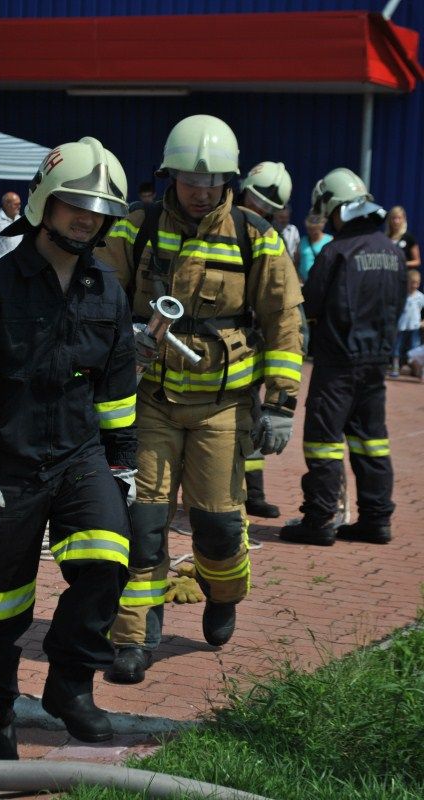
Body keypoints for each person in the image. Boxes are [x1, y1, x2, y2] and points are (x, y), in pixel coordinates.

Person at [0, 137, 137, 759]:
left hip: (79, 458)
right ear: (45, 201)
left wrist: (122, 466)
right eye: (76, 203)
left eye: (100, 209)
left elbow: (117, 392)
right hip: (5, 466)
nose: (87, 218)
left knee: (107, 558)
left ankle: (69, 684)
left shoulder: (107, 291)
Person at [100, 116, 303, 684]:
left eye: (213, 181)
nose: (201, 191)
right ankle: (134, 636)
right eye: (191, 180)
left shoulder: (254, 236)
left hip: (223, 407)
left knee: (217, 525)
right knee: (143, 521)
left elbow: (284, 319)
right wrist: (124, 336)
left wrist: (281, 403)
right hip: (150, 401)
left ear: (228, 181)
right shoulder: (135, 228)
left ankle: (223, 593)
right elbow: (99, 296)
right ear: (171, 175)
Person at [280, 168, 406, 548]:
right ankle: (376, 520)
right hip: (376, 364)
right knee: (372, 441)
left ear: (335, 208)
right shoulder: (393, 252)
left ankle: (319, 520)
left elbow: (310, 304)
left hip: (337, 365)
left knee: (323, 442)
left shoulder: (336, 252)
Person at [239, 160, 297, 518]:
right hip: (227, 346)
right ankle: (246, 493)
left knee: (253, 418)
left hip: (253, 346)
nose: (257, 211)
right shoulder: (223, 226)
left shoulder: (270, 240)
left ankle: (253, 493)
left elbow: (283, 308)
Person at [390, 270, 424, 378]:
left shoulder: (420, 296)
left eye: (417, 283)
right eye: (412, 283)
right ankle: (395, 367)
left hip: (414, 327)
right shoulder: (401, 295)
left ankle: (417, 370)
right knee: (397, 347)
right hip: (401, 326)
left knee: (415, 349)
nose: (414, 285)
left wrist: (422, 322)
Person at [297, 213, 333, 284]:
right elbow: (297, 261)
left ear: (321, 228)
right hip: (303, 282)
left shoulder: (329, 240)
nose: (312, 232)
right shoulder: (303, 241)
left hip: (321, 283)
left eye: (315, 230)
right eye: (310, 229)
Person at [386, 205, 421, 271]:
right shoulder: (385, 238)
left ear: (404, 219)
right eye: (394, 218)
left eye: (399, 218)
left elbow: (417, 261)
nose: (396, 221)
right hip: (389, 274)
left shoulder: (408, 237)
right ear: (389, 220)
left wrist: (402, 264)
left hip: (404, 274)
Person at [273, 203, 300, 268]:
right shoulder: (270, 229)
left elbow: (297, 249)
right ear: (275, 216)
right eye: (281, 217)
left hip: (290, 265)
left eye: (286, 217)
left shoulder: (293, 230)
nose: (284, 220)